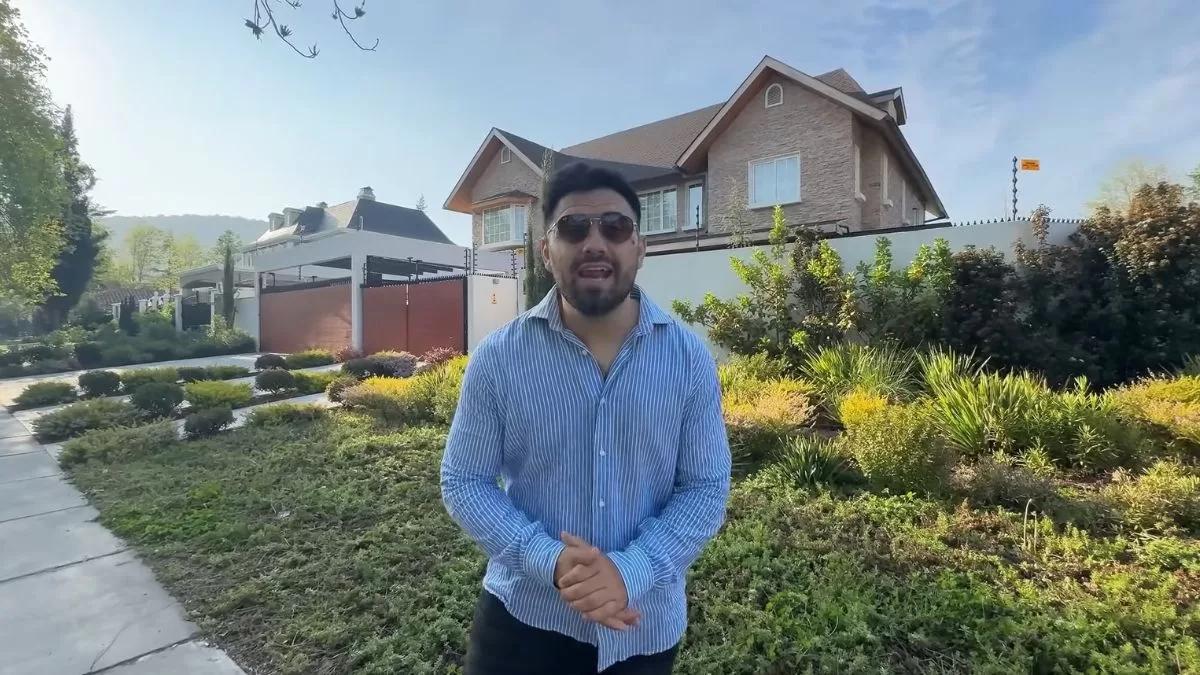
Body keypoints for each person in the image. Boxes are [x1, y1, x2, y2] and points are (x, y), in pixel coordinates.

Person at [440, 161, 732, 675]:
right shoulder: (498, 359)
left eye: (615, 227)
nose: (595, 243)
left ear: (639, 247)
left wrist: (629, 571)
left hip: (642, 629)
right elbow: (464, 480)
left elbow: (705, 487)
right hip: (521, 624)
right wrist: (548, 560)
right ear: (546, 251)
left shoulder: (688, 359)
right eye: (574, 227)